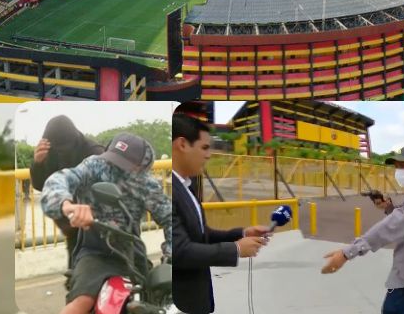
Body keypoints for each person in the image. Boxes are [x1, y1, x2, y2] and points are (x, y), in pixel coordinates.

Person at [40, 133, 171, 314]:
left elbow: (171, 218)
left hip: (132, 253)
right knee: (81, 302)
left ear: (142, 167)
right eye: (113, 159)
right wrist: (66, 204)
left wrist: (170, 257)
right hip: (95, 253)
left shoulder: (146, 184)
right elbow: (60, 179)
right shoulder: (95, 166)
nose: (114, 167)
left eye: (124, 164)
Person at [322, 145, 404, 314]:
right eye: (396, 167)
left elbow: (392, 226)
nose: (398, 171)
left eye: (403, 166)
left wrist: (347, 253)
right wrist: (389, 208)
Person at [171, 114, 271, 314]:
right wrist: (234, 250)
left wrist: (241, 234)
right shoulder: (169, 190)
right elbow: (179, 250)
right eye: (205, 147)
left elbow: (201, 235)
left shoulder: (186, 187)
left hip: (197, 296)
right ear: (182, 144)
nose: (209, 155)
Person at [30, 115, 105, 266]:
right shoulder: (50, 152)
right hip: (71, 224)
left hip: (99, 224)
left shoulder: (94, 152)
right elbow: (42, 186)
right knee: (75, 272)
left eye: (64, 148)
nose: (61, 152)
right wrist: (37, 164)